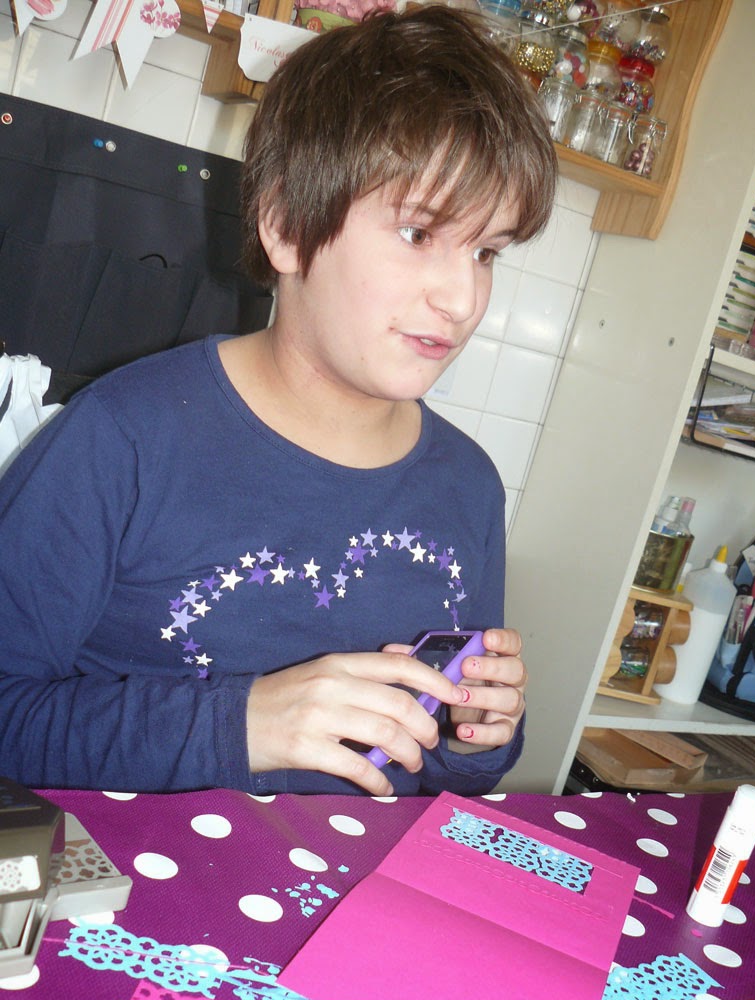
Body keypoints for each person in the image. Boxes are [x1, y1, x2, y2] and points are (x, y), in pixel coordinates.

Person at [0, 4, 557, 796]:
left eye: (487, 252)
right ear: (287, 226)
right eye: (419, 234)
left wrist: (478, 736)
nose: (464, 298)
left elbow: (437, 762)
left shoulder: (469, 485)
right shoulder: (123, 438)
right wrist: (240, 723)